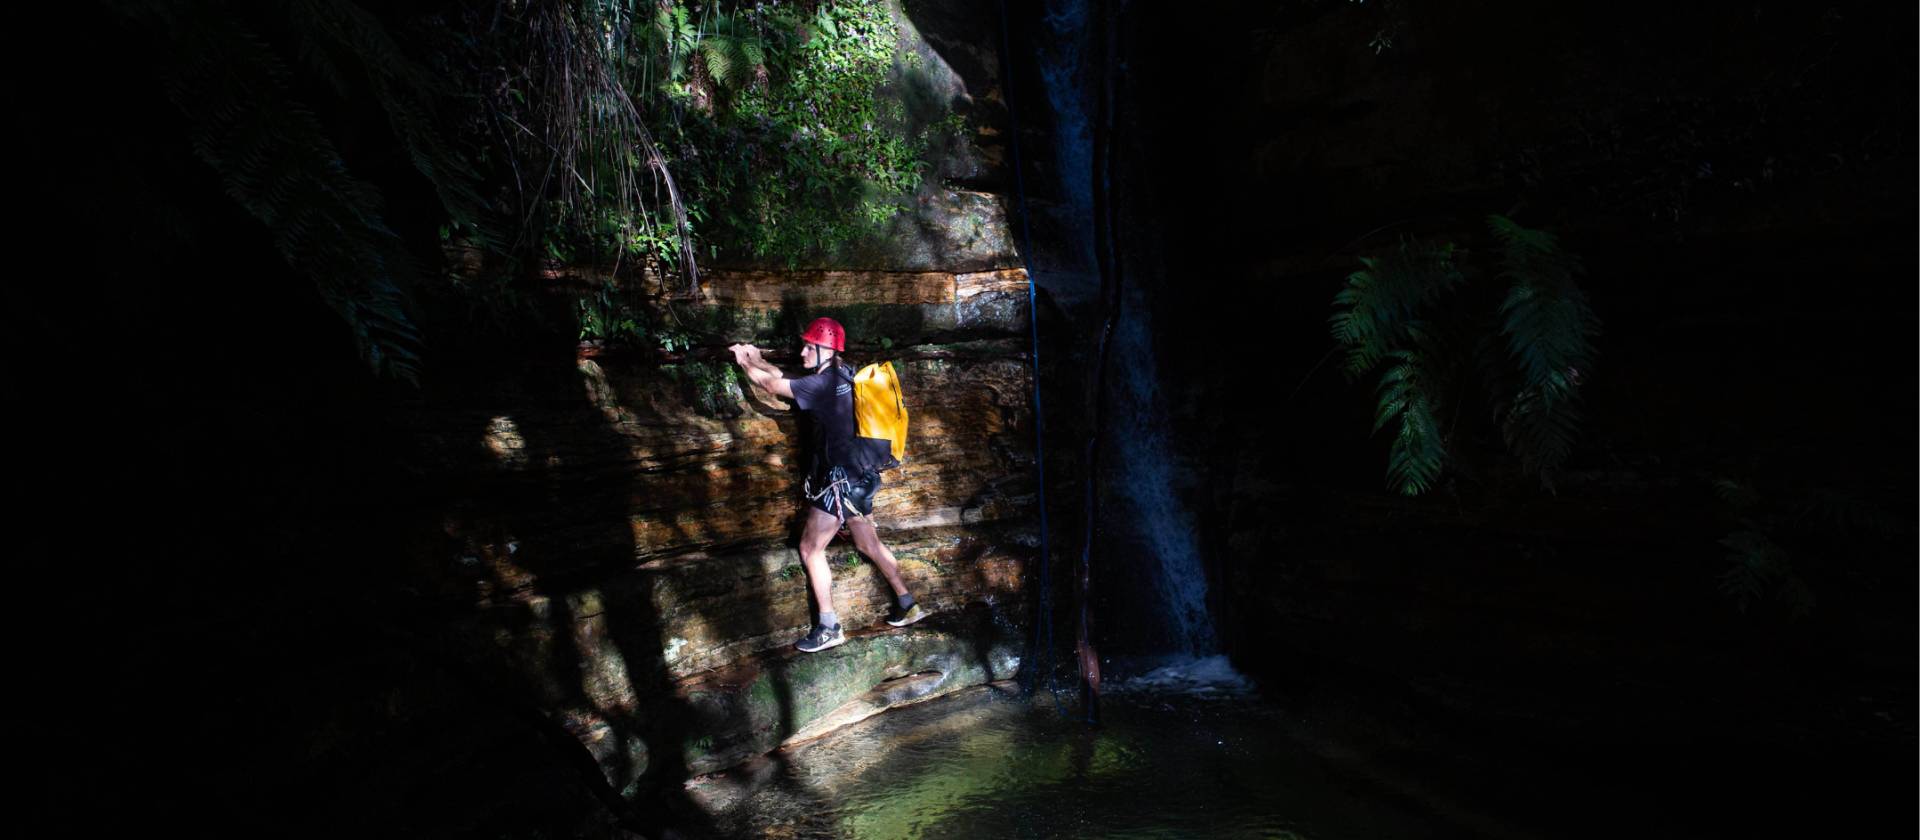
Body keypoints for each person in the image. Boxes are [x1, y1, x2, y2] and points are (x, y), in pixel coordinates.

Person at [729, 317, 927, 653]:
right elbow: (788, 379)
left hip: (840, 483)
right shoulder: (843, 374)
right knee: (868, 543)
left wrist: (744, 362)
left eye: (810, 347)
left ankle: (828, 626)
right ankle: (908, 603)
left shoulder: (821, 385)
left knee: (810, 548)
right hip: (862, 477)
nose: (802, 352)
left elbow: (772, 386)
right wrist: (758, 358)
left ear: (827, 351)